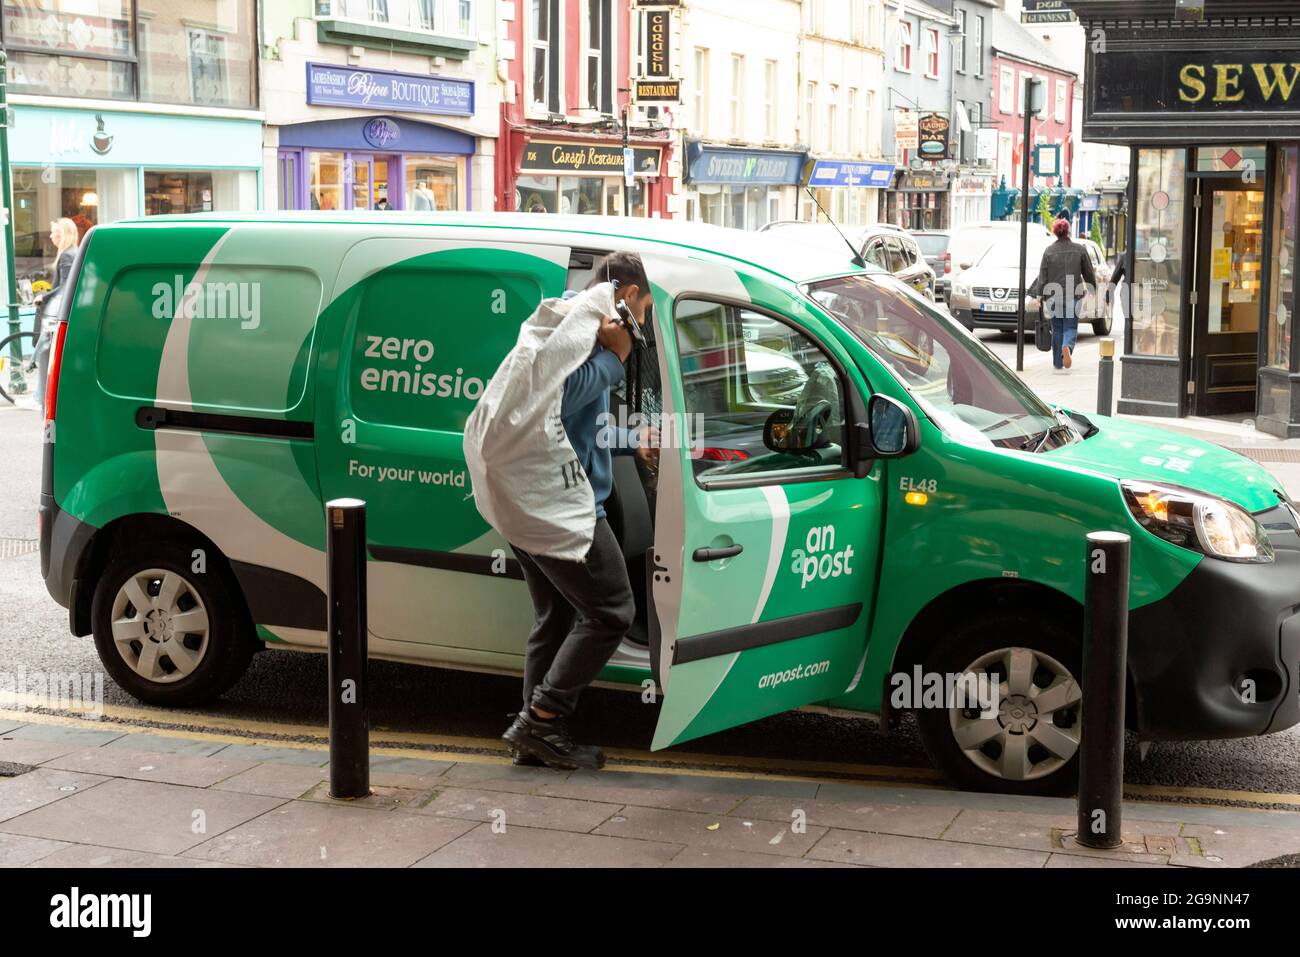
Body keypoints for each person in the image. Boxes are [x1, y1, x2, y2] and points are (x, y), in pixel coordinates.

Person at [501, 252, 659, 770]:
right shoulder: (579, 328)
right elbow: (559, 396)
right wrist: (614, 358)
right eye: (649, 309)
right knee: (614, 611)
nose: (646, 325)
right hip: (562, 506)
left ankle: (537, 738)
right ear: (630, 295)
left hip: (527, 498)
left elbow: (569, 427)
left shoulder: (575, 322)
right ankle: (540, 719)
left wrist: (627, 438)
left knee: (556, 616)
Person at [1032, 217, 1097, 372]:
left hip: (1054, 297)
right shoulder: (1079, 249)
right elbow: (1088, 271)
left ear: (1055, 232)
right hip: (1073, 296)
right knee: (1070, 327)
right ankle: (1067, 346)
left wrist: (1039, 296)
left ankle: (1058, 362)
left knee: (1057, 328)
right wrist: (1092, 287)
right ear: (1068, 231)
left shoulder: (1049, 251)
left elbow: (1043, 275)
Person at [30, 218, 80, 410]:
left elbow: (65, 286)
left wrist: (43, 296)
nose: (51, 236)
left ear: (63, 234)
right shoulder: (74, 253)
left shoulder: (67, 255)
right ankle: (40, 393)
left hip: (57, 314)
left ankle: (41, 395)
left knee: (44, 351)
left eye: (54, 232)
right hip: (64, 312)